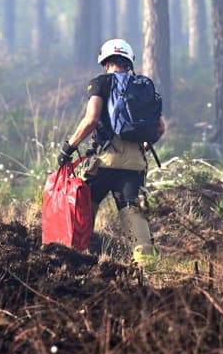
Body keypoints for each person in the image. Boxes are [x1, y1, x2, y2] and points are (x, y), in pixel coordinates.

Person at [58, 38, 166, 268]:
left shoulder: (101, 83)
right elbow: (160, 128)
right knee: (134, 215)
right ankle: (147, 271)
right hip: (135, 165)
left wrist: (69, 147)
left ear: (106, 63)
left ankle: (75, 262)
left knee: (84, 209)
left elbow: (91, 120)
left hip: (104, 163)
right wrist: (142, 148)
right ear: (129, 62)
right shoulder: (143, 87)